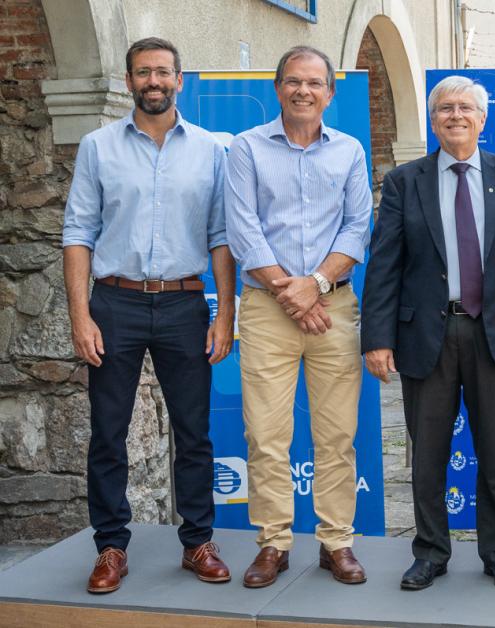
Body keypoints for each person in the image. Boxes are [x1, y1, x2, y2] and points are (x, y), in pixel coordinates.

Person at [360, 75, 495, 591]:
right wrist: (376, 337)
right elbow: (384, 266)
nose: (455, 115)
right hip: (427, 334)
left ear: (482, 118)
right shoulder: (405, 181)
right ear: (433, 119)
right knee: (426, 456)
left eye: (465, 107)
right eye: (445, 108)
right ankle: (429, 552)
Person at [63, 37, 234, 594]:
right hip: (115, 302)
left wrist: (223, 311)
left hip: (185, 303)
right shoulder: (97, 146)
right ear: (129, 79)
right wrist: (81, 314)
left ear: (180, 80)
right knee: (108, 432)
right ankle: (111, 546)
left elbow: (221, 238)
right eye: (143, 73)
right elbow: (77, 234)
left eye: (163, 72)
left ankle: (198, 542)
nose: (153, 81)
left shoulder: (211, 149)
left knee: (194, 431)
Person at [224, 46, 372, 588]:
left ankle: (337, 542)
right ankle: (273, 543)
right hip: (266, 309)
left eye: (314, 82)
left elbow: (357, 227)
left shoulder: (350, 151)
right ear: (278, 87)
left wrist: (316, 286)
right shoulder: (246, 148)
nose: (303, 91)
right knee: (266, 434)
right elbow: (242, 228)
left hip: (333, 306)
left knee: (336, 435)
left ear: (330, 92)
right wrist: (292, 293)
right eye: (292, 81)